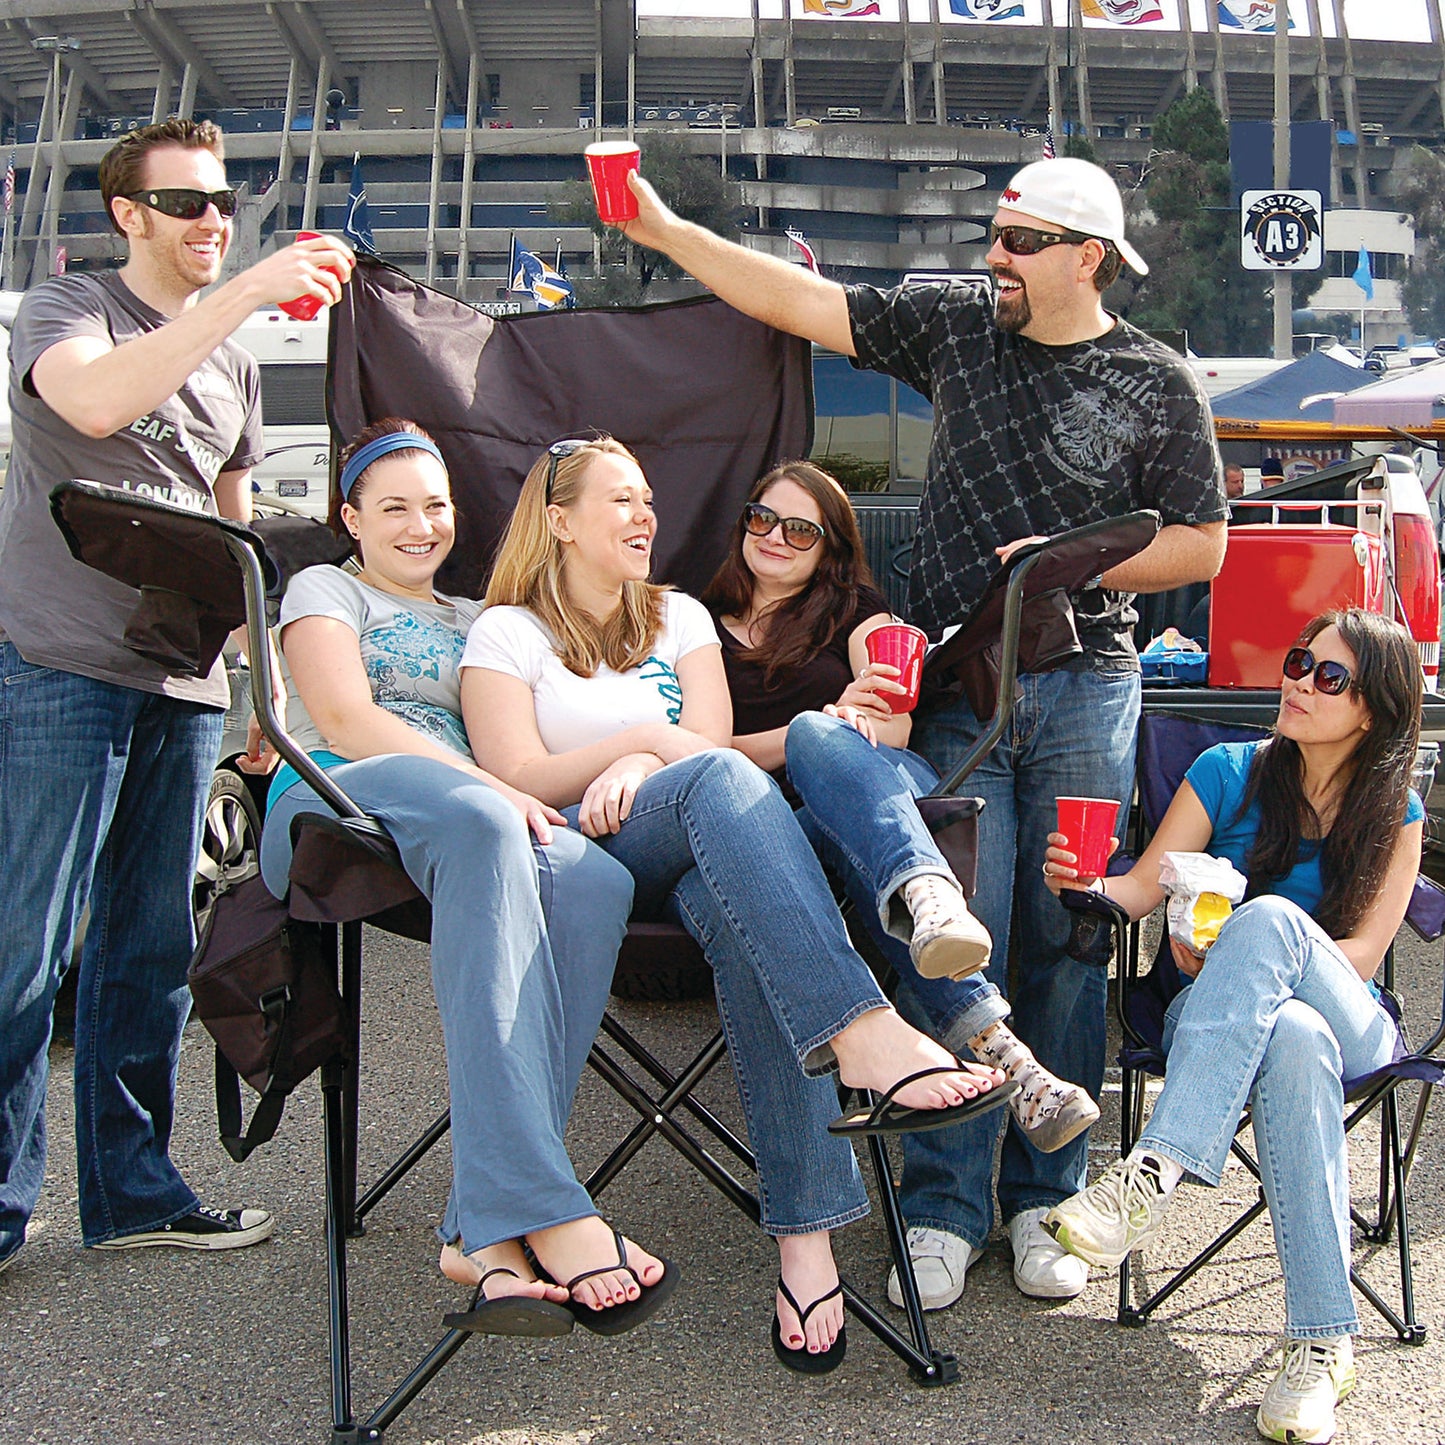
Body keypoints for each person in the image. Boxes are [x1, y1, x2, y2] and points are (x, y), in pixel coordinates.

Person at [616, 154, 1227, 1302]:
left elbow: (1200, 545)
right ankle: (944, 1198)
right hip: (953, 688)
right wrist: (663, 229)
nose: (990, 257)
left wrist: (1062, 564)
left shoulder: (1156, 381)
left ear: (1085, 256)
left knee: (1067, 927)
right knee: (961, 926)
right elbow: (793, 298)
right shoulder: (956, 329)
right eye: (991, 235)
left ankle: (1044, 1199)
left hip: (1091, 678)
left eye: (1016, 241)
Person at [459, 434, 1011, 1372]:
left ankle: (806, 1240)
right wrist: (635, 738)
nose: (645, 516)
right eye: (621, 501)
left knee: (751, 926)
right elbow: (517, 771)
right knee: (721, 786)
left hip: (689, 834)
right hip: (587, 849)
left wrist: (648, 754)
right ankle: (864, 1029)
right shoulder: (505, 631)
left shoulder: (675, 616)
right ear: (558, 522)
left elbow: (705, 740)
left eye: (648, 499)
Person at [0, 118, 356, 1266]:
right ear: (129, 216)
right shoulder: (70, 313)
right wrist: (245, 288)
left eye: (224, 205)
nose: (213, 219)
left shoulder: (235, 361)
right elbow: (94, 408)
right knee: (27, 945)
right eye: (190, 203)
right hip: (57, 662)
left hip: (186, 676)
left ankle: (132, 1193)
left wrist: (262, 692)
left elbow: (232, 527)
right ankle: (5, 1204)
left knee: (150, 946)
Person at [260, 418, 669, 1334]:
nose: (419, 524)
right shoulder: (325, 588)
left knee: (595, 879)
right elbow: (343, 717)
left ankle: (484, 1226)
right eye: (393, 506)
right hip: (336, 799)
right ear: (350, 518)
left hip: (462, 825)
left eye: (435, 505)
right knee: (494, 819)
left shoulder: (481, 618)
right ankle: (546, 1204)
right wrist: (492, 787)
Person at [700, 459, 1100, 1308]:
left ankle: (922, 891)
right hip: (751, 844)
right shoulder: (692, 621)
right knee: (818, 742)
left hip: (852, 821)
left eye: (799, 529)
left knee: (839, 753)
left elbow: (888, 721)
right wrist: (806, 726)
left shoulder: (860, 617)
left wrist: (844, 718)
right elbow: (692, 757)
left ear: (832, 550)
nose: (774, 537)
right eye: (760, 518)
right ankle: (1007, 1053)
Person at [1042, 608, 1423, 1444]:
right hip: (1224, 1019)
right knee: (1287, 1036)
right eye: (1297, 661)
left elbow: (1357, 958)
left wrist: (1257, 938)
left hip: (1351, 1013)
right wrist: (1083, 882)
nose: (1298, 681)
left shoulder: (1396, 813)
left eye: (1329, 676)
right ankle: (1323, 1340)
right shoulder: (1226, 771)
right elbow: (1140, 888)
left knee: (1269, 924)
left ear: (1372, 709)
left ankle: (1153, 1170)